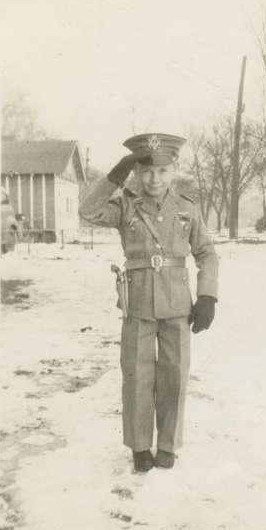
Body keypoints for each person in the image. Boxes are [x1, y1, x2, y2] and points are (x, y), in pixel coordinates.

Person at [79, 133, 218, 472]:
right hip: (137, 302)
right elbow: (87, 211)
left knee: (175, 375)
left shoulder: (187, 208)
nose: (154, 179)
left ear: (174, 170)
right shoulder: (125, 203)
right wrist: (116, 174)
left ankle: (168, 445)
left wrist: (208, 295)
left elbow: (207, 254)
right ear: (136, 174)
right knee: (137, 376)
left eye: (162, 172)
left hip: (177, 303)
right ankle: (140, 447)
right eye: (145, 172)